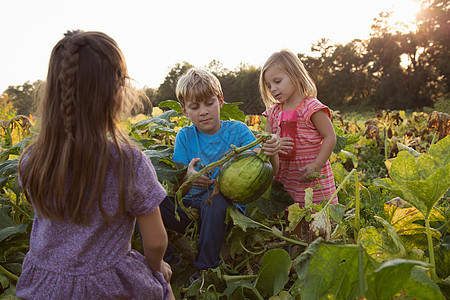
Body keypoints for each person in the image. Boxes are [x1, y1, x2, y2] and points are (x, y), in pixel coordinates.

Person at [16, 30, 174, 300]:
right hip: (107, 287)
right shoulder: (129, 163)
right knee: (163, 287)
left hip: (43, 286)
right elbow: (156, 241)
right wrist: (157, 266)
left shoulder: (33, 160)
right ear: (115, 93)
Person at [159, 67, 281, 281]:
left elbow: (261, 174)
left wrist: (271, 154)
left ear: (221, 101)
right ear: (184, 111)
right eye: (195, 107)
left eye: (209, 103)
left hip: (226, 212)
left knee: (214, 199)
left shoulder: (239, 131)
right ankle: (166, 261)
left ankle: (205, 269)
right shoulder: (184, 137)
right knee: (149, 203)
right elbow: (178, 190)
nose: (203, 111)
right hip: (191, 211)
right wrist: (189, 178)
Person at [259, 49, 338, 237]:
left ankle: (317, 251)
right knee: (292, 216)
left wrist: (317, 165)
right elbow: (268, 142)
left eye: (277, 81)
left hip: (311, 173)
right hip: (288, 173)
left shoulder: (311, 107)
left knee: (318, 222)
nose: (273, 89)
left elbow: (330, 137)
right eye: (269, 85)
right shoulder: (273, 113)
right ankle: (294, 253)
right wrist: (272, 144)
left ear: (295, 75)